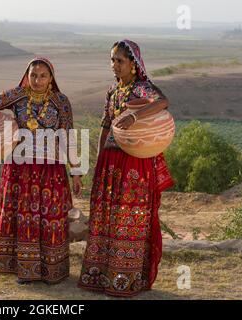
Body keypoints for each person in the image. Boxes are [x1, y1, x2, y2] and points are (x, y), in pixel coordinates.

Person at [0, 57, 83, 284]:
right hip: (20, 168)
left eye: (43, 76)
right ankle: (25, 270)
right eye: (33, 75)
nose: (37, 80)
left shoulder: (61, 102)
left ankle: (51, 271)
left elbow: (68, 136)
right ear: (27, 76)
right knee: (24, 218)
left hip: (51, 169)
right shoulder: (16, 95)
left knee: (50, 217)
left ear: (51, 79)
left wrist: (76, 171)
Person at [77, 40, 175, 297]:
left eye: (120, 60)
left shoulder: (143, 89)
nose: (114, 65)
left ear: (134, 64)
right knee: (106, 216)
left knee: (129, 217)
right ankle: (100, 275)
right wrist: (99, 161)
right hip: (110, 161)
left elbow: (163, 101)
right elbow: (106, 127)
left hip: (134, 162)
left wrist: (134, 116)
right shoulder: (112, 91)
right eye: (112, 60)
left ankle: (127, 277)